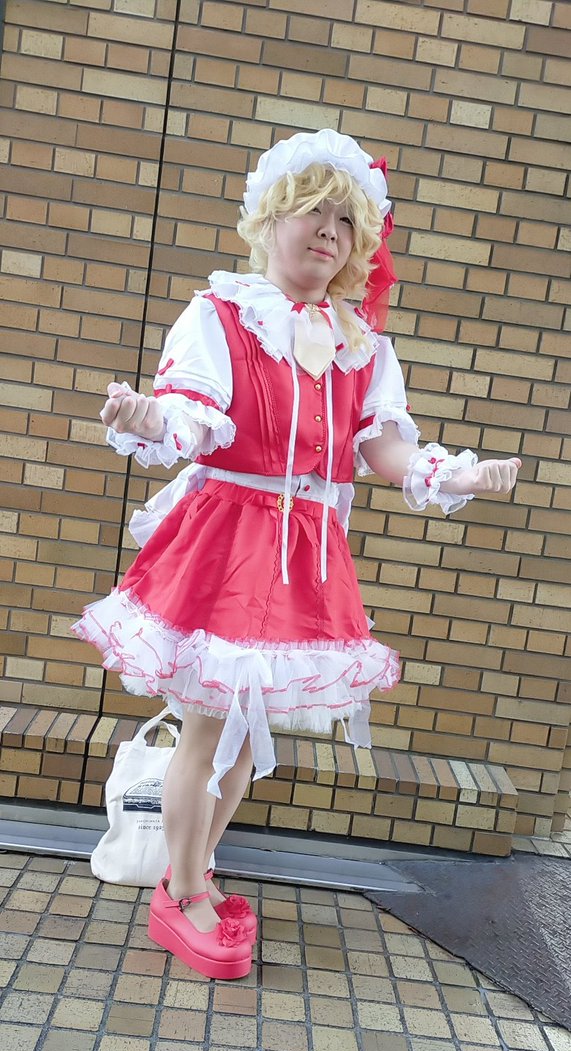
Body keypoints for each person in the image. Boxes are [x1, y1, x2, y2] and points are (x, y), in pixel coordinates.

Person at [73, 129, 521, 980]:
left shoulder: (362, 343)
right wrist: (148, 418)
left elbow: (381, 448)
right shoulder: (222, 315)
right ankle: (182, 892)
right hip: (228, 541)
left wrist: (456, 474)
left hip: (305, 553)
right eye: (313, 211)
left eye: (346, 222)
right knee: (208, 726)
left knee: (248, 734)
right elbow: (192, 413)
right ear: (271, 219)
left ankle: (195, 874)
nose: (329, 231)